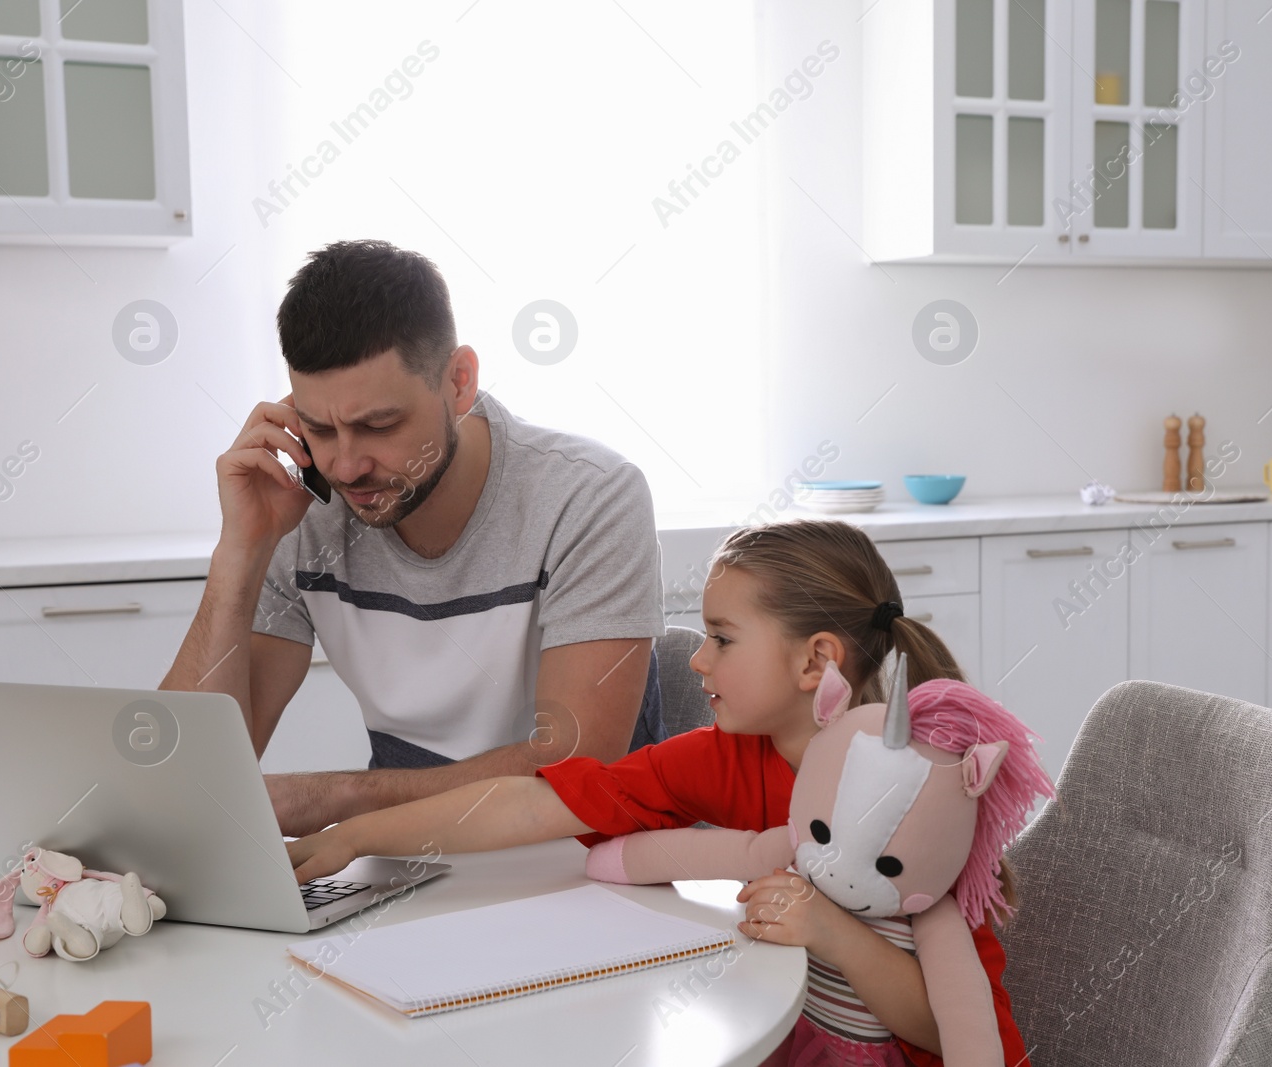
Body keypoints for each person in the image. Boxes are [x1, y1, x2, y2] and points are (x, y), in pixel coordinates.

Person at [287, 519, 1034, 1064]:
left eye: (722, 637)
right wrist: (356, 833)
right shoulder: (726, 756)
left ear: (816, 661)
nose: (698, 660)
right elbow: (529, 801)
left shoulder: (924, 798)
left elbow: (949, 1028)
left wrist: (835, 933)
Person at [160, 239, 666, 837]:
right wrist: (240, 550)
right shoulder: (303, 513)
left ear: (458, 382)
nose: (346, 467)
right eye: (320, 429)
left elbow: (576, 767)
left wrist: (334, 798)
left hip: (581, 866)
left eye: (378, 425)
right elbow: (186, 779)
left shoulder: (588, 497)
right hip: (398, 857)